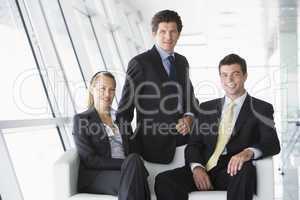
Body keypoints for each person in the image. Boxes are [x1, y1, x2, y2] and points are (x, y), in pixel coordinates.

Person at [154, 54, 281, 200]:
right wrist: (197, 167)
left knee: (245, 169)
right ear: (220, 78)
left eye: (235, 74)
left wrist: (248, 152)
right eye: (224, 75)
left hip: (233, 172)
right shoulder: (206, 107)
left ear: (245, 76)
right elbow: (194, 145)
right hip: (204, 169)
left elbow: (272, 143)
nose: (229, 80)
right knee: (164, 180)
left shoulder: (261, 108)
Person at [117, 10, 198, 164]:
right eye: (163, 31)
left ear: (179, 34)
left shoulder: (182, 62)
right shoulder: (140, 63)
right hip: (152, 148)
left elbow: (190, 99)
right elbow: (123, 112)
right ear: (154, 33)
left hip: (184, 143)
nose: (168, 37)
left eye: (173, 31)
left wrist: (189, 117)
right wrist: (130, 150)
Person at [72, 71, 150, 200]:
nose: (108, 94)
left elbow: (133, 148)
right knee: (136, 177)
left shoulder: (121, 118)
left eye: (112, 90)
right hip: (97, 175)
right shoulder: (82, 120)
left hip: (128, 170)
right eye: (103, 89)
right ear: (92, 89)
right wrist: (125, 163)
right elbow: (89, 160)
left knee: (134, 166)